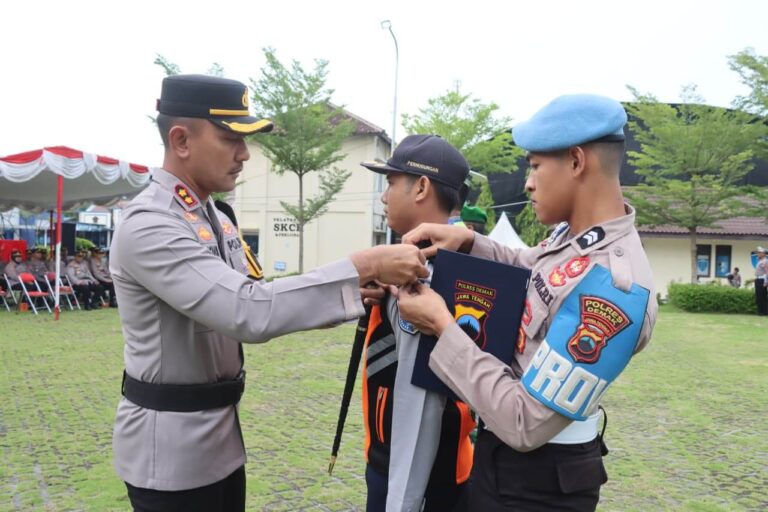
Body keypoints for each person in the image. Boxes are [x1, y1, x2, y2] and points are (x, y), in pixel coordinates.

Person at [110, 74, 428, 512]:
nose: (244, 155)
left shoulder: (214, 216)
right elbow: (246, 311)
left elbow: (257, 294)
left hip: (219, 442)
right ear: (181, 140)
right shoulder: (151, 225)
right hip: (169, 453)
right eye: (229, 139)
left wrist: (355, 288)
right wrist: (364, 265)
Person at [397, 94, 658, 511]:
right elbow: (530, 268)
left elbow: (525, 422)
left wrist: (443, 327)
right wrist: (467, 240)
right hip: (503, 463)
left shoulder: (612, 289)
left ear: (576, 162)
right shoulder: (573, 238)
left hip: (538, 484)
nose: (528, 183)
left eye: (535, 166)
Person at [359, 135, 475, 512]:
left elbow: (418, 406)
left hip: (417, 478)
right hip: (402, 462)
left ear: (422, 186)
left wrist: (401, 502)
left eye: (391, 182)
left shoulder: (431, 276)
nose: (383, 195)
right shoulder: (426, 266)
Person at [754, 247, 768, 315]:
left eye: (760, 253)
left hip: (762, 280)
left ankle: (763, 312)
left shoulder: (765, 261)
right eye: (758, 252)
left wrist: (766, 281)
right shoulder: (759, 260)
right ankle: (761, 311)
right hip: (758, 279)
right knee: (758, 296)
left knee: (762, 296)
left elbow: (767, 272)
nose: (758, 254)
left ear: (764, 254)